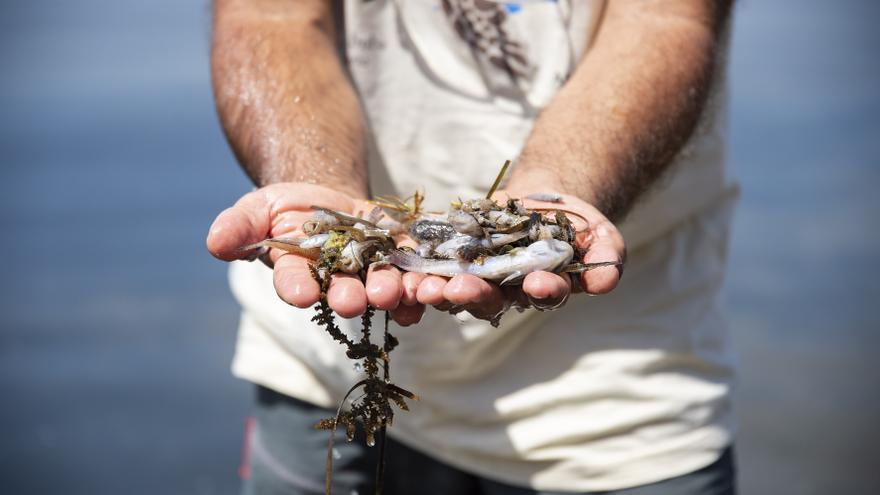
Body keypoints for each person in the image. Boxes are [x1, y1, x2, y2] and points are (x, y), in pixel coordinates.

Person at [206, 1, 738, 494]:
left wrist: (561, 187)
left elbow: (663, 20)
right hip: (317, 377)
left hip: (621, 403)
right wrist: (312, 181)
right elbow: (270, 14)